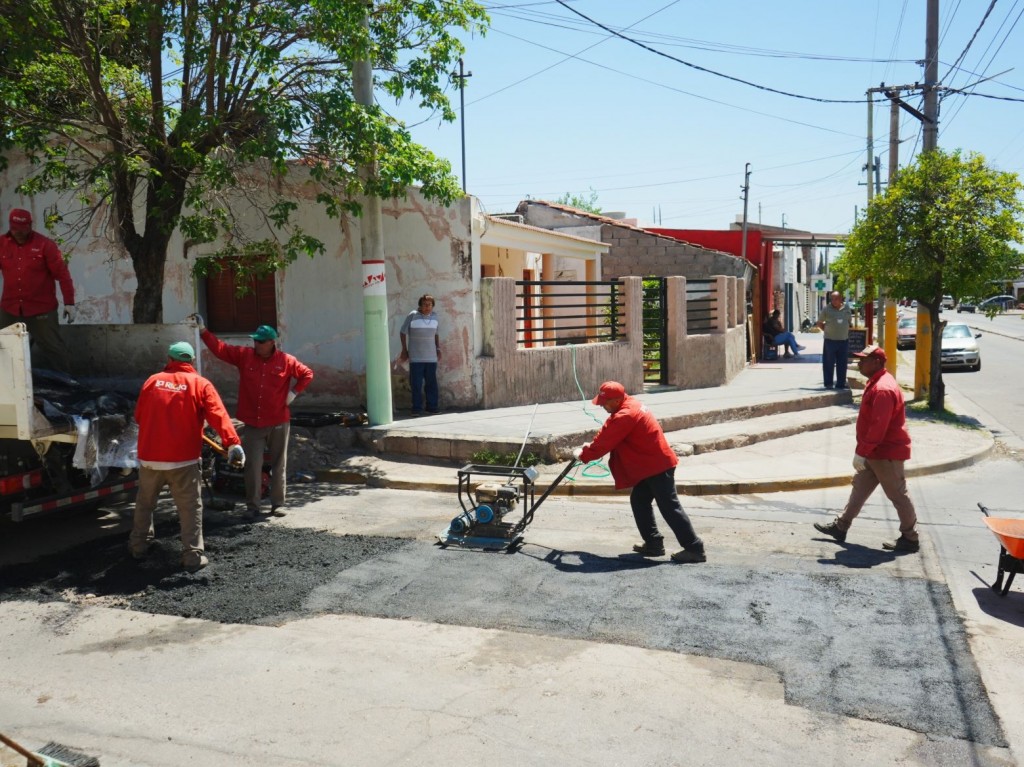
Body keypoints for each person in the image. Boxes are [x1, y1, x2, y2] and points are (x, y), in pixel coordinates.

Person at [130, 341, 245, 572]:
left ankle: (138, 546)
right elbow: (218, 416)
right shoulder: (200, 384)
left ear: (169, 359)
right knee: (190, 508)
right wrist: (233, 443)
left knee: (145, 504)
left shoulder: (152, 381)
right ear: (191, 361)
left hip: (150, 459)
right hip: (183, 460)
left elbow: (139, 416)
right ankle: (192, 556)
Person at [194, 317, 314, 519]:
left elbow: (307, 374)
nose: (256, 344)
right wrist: (204, 330)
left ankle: (278, 504)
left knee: (278, 464)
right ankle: (253, 506)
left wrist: (294, 392)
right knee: (252, 465)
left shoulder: (286, 361)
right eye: (255, 341)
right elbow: (220, 349)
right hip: (253, 422)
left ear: (271, 342)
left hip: (278, 421)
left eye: (260, 341)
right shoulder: (245, 356)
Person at [574, 381, 706, 563]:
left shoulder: (626, 414)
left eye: (605, 402)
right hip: (651, 464)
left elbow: (607, 441)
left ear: (618, 399)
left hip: (657, 466)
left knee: (669, 506)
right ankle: (653, 544)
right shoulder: (629, 405)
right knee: (639, 500)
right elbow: (608, 430)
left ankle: (694, 548)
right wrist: (590, 446)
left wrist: (584, 455)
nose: (602, 406)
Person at [813, 344, 920, 553]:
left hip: (885, 453)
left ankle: (910, 538)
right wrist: (864, 451)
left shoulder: (882, 389)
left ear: (877, 362)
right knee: (859, 489)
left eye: (864, 359)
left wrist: (862, 452)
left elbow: (878, 426)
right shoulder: (876, 382)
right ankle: (841, 526)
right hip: (874, 452)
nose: (859, 362)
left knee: (898, 495)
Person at [0, 208, 75, 373]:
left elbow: (63, 276)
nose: (18, 233)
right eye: (14, 229)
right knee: (4, 347)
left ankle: (68, 383)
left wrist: (69, 303)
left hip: (41, 308)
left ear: (30, 226)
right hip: (10, 307)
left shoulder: (45, 245)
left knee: (53, 347)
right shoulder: (1, 244)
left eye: (22, 229)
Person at [399, 294, 442, 415]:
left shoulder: (435, 317)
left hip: (431, 357)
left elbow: (436, 334)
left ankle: (432, 406)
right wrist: (404, 350)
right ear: (420, 305)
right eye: (424, 304)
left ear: (433, 306)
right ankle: (416, 408)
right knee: (416, 384)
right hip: (416, 357)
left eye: (429, 305)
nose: (427, 307)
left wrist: (438, 348)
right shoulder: (413, 315)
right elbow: (402, 332)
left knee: (431, 383)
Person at [815, 290, 852, 389]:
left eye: (836, 299)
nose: (834, 301)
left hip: (843, 341)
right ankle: (828, 383)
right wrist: (826, 330)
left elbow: (849, 321)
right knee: (828, 363)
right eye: (832, 299)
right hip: (830, 341)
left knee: (842, 363)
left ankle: (841, 383)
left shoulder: (847, 308)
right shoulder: (827, 309)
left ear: (841, 299)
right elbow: (819, 323)